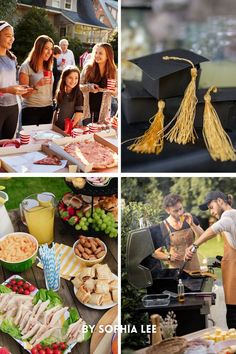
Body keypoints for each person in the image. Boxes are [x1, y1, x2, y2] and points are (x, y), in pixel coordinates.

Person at [185, 191, 236, 328]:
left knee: (233, 322)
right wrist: (218, 261)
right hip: (231, 279)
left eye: (211, 207)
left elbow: (213, 230)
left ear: (220, 201)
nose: (211, 212)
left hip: (234, 284)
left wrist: (194, 246)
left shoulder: (229, 216)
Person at [151, 193, 204, 271]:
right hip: (176, 271)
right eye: (175, 211)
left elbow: (204, 237)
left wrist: (192, 224)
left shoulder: (191, 218)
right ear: (168, 210)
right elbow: (155, 253)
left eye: (181, 208)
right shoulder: (163, 227)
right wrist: (168, 257)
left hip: (194, 267)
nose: (180, 213)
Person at [0, 21, 30, 139]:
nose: (12, 39)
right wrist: (7, 90)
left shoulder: (12, 58)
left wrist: (21, 89)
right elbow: (7, 87)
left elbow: (12, 83)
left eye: (12, 35)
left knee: (8, 144)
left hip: (12, 108)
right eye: (8, 36)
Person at [19, 35, 54, 125]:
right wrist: (37, 85)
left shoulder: (49, 66)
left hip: (48, 108)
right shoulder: (26, 67)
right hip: (31, 110)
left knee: (45, 139)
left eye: (51, 49)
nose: (50, 52)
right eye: (46, 48)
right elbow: (24, 95)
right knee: (29, 139)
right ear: (38, 48)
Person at [80, 42, 117, 123]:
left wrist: (114, 91)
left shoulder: (113, 71)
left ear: (108, 56)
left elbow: (117, 92)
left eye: (100, 53)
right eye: (96, 52)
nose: (97, 55)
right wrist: (89, 87)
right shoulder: (88, 68)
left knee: (100, 134)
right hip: (87, 111)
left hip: (103, 112)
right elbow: (79, 86)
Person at [53, 65, 83, 131]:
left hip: (70, 128)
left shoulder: (78, 93)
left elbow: (79, 113)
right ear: (64, 78)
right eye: (70, 77)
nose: (73, 81)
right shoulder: (60, 91)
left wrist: (69, 128)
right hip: (58, 126)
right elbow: (56, 110)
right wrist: (53, 124)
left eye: (76, 78)